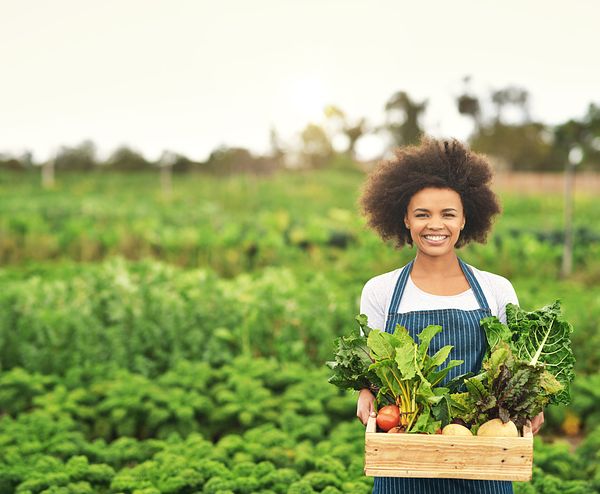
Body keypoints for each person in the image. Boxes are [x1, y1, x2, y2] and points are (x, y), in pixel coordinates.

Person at [356, 137, 544, 494]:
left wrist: (531, 403)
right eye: (422, 214)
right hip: (405, 453)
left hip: (484, 456)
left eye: (448, 214)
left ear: (465, 220)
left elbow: (512, 366)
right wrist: (365, 391)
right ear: (405, 220)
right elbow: (373, 366)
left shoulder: (496, 289)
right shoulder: (379, 291)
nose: (435, 225)